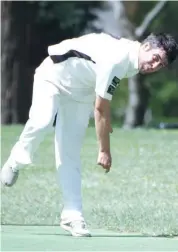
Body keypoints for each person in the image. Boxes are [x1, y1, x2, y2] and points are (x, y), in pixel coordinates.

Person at [1, 32, 178, 237]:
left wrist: (106, 120)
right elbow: (101, 110)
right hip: (53, 76)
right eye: (156, 58)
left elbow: (102, 99)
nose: (155, 66)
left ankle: (73, 216)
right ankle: (15, 161)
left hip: (82, 92)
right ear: (147, 46)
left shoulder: (133, 60)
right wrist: (104, 151)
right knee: (42, 121)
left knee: (70, 151)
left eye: (161, 65)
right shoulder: (119, 59)